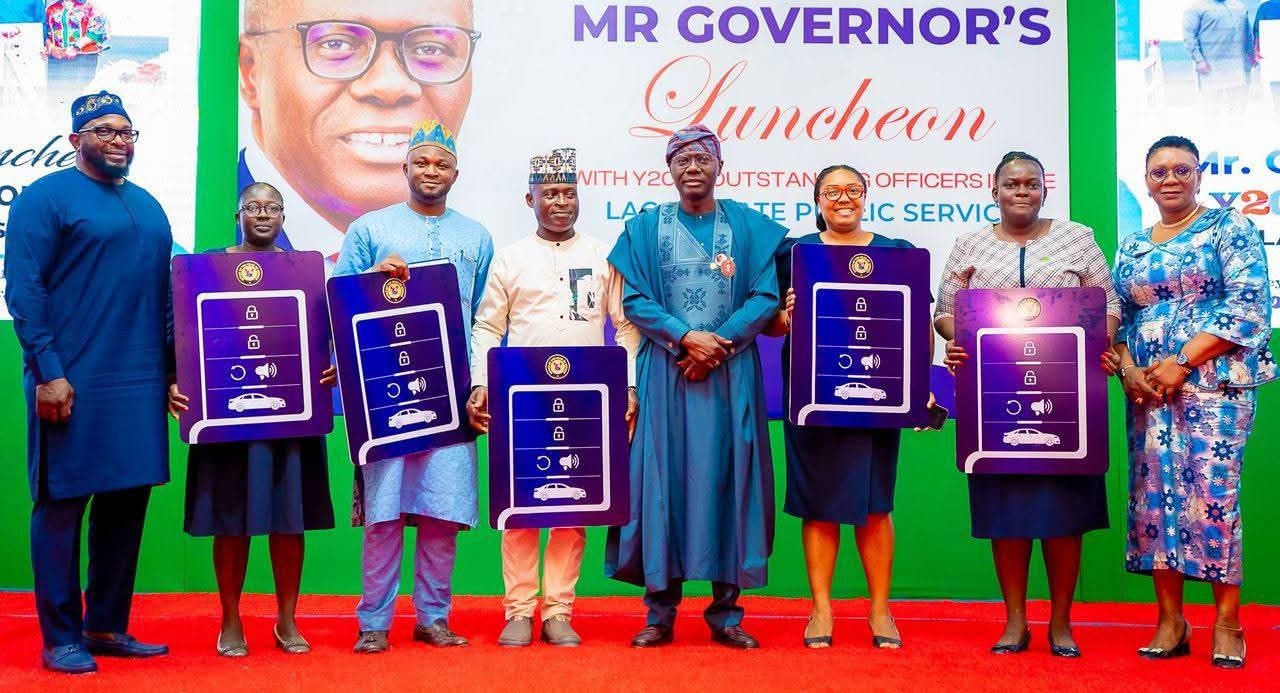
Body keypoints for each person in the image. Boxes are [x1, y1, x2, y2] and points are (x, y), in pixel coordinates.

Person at [4, 90, 170, 674]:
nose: (119, 140)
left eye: (126, 131)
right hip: (70, 383)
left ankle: (105, 625)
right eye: (104, 130)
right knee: (61, 505)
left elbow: (166, 299)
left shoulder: (149, 206)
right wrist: (48, 372)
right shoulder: (42, 200)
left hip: (140, 384)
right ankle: (60, 637)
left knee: (126, 507)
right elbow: (23, 290)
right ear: (76, 140)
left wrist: (174, 373)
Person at [605, 124, 788, 650]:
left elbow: (764, 296)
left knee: (733, 480)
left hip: (731, 379)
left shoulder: (751, 227)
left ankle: (727, 613)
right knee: (664, 483)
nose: (691, 167)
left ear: (719, 166)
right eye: (681, 159)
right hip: (667, 373)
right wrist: (686, 338)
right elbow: (634, 300)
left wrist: (718, 345)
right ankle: (660, 613)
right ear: (669, 168)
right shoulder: (643, 229)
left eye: (701, 158)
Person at [933, 151, 1121, 658]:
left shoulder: (1077, 238)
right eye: (1011, 183)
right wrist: (960, 340)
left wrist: (1094, 344)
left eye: (1031, 184)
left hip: (1066, 401)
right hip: (994, 404)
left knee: (1065, 515)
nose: (1022, 191)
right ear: (993, 191)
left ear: (1045, 189)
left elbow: (1108, 306)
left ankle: (1061, 623)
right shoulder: (969, 244)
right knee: (1005, 513)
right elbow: (946, 313)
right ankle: (1015, 622)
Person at [467, 147, 641, 648]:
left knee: (572, 505)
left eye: (568, 193)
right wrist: (482, 382)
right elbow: (487, 327)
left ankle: (559, 610)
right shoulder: (511, 258)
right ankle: (519, 610)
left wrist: (626, 385)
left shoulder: (602, 256)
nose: (560, 202)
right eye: (550, 194)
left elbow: (625, 327)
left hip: (589, 400)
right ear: (531, 198)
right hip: (523, 401)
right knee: (521, 509)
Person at [1112, 135, 1273, 669]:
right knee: (1153, 498)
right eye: (1159, 171)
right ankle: (1170, 621)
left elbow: (1248, 304)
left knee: (1214, 495)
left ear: (1200, 174)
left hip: (1215, 385)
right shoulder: (1133, 246)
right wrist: (1131, 371)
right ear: (1146, 179)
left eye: (1182, 169)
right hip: (1150, 393)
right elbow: (1121, 318)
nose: (1170, 179)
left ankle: (1227, 622)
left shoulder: (1231, 228)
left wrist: (1181, 361)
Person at [333, 118, 493, 654]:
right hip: (386, 393)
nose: (431, 171)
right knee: (384, 512)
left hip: (451, 394)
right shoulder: (370, 230)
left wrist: (480, 385)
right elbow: (337, 301)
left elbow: (484, 320)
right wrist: (373, 277)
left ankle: (433, 618)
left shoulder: (476, 236)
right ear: (404, 168)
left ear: (455, 172)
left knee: (441, 511)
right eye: (421, 162)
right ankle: (373, 623)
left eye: (441, 164)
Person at [763, 165, 936, 650]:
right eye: (832, 192)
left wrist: (919, 382)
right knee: (818, 505)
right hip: (814, 395)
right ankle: (821, 608)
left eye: (852, 190)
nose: (843, 198)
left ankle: (880, 609)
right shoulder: (795, 253)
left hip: (879, 396)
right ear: (816, 199)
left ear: (866, 196)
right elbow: (771, 325)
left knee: (875, 504)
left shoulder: (897, 253)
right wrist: (785, 315)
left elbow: (916, 321)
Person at [166, 182, 336, 657]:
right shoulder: (205, 267)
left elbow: (331, 328)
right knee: (231, 520)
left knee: (290, 520)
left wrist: (334, 362)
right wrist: (173, 380)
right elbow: (181, 331)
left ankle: (287, 619)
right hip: (225, 418)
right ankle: (230, 621)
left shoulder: (306, 270)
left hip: (293, 415)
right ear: (237, 214)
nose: (263, 214)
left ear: (284, 216)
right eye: (253, 207)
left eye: (273, 207)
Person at [238, 0, 479, 264]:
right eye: (336, 43)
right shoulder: (201, 235)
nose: (390, 85)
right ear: (251, 72)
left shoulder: (472, 244)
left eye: (431, 48)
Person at [1183, 0, 1256, 112]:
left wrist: (1251, 54)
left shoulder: (1240, 7)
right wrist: (1199, 60)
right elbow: (1189, 36)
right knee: (1211, 111)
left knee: (1239, 109)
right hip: (1210, 69)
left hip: (1238, 68)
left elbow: (1248, 33)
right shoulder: (1196, 8)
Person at [1256, 0, 1280, 110]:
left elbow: (1257, 33)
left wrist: (1256, 50)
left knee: (1277, 96)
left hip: (1274, 62)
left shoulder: (1265, 7)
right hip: (1274, 60)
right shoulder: (1265, 7)